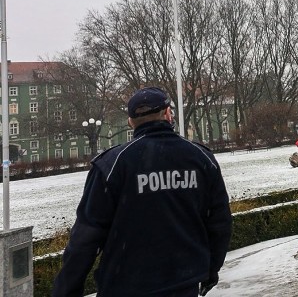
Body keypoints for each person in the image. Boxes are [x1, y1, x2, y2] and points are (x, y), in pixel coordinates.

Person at [52, 87, 232, 296]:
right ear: (168, 114)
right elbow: (220, 223)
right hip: (184, 282)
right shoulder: (201, 158)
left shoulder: (112, 165)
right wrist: (210, 269)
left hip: (125, 285)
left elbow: (86, 237)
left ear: (131, 122)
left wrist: (66, 290)